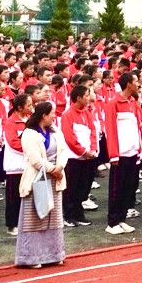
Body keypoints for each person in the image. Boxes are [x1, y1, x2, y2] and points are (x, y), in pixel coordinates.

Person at [16, 100, 68, 269]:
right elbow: (35, 159)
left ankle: (54, 254)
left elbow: (63, 151)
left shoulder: (56, 131)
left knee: (54, 218)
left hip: (55, 179)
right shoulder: (29, 134)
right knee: (35, 217)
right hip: (37, 179)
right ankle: (30, 256)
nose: (55, 115)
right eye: (52, 113)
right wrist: (53, 169)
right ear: (44, 115)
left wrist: (60, 167)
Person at [102, 72, 142, 234]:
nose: (138, 85)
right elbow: (110, 129)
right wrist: (113, 154)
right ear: (128, 84)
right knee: (117, 189)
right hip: (120, 153)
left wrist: (139, 149)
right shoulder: (114, 103)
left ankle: (122, 219)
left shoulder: (133, 102)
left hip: (132, 152)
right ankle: (112, 222)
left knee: (128, 188)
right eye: (135, 82)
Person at [60, 84, 96, 227]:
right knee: (71, 188)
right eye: (86, 96)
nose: (89, 98)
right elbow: (69, 137)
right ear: (79, 98)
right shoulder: (67, 115)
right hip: (74, 158)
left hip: (88, 157)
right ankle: (68, 215)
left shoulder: (87, 113)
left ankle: (78, 212)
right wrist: (83, 151)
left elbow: (93, 132)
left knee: (84, 186)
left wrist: (92, 150)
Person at [3, 94, 31, 235]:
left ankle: (26, 222)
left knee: (27, 196)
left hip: (28, 165)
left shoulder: (30, 120)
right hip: (15, 166)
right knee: (13, 197)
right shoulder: (10, 122)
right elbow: (13, 143)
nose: (31, 107)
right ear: (20, 108)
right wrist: (31, 149)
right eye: (29, 105)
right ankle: (12, 224)